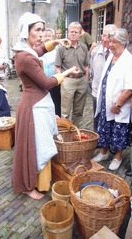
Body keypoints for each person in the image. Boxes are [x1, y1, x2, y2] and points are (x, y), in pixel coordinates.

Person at [11, 12, 79, 200]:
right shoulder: (25, 57)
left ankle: (37, 181)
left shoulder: (27, 50)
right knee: (35, 147)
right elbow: (47, 83)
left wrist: (56, 42)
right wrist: (67, 73)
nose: (41, 34)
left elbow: (40, 50)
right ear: (27, 31)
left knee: (37, 145)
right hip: (33, 107)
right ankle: (26, 185)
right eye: (37, 30)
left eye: (42, 30)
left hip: (36, 103)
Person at [93, 28, 132, 171]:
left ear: (123, 43)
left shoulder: (130, 61)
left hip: (119, 106)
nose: (110, 44)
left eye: (114, 42)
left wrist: (118, 104)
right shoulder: (111, 56)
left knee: (119, 130)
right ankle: (104, 152)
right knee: (105, 127)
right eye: (109, 41)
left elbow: (129, 88)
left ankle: (118, 157)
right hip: (107, 102)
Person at [55, 21, 90, 127]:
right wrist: (62, 81)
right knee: (65, 111)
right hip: (68, 81)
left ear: (80, 34)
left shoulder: (83, 47)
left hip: (81, 80)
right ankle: (65, 130)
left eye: (76, 32)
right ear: (68, 33)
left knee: (79, 110)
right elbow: (57, 67)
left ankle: (75, 129)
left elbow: (86, 66)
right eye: (71, 32)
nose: (73, 34)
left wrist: (86, 80)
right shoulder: (62, 48)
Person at [90, 24, 118, 132]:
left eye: (107, 36)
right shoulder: (95, 51)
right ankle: (96, 139)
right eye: (103, 35)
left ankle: (109, 141)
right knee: (97, 116)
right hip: (97, 91)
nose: (103, 39)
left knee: (111, 117)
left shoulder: (118, 54)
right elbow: (92, 69)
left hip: (112, 94)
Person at [40, 28, 61, 116]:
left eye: (49, 36)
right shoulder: (39, 50)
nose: (47, 38)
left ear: (53, 38)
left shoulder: (58, 50)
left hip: (54, 81)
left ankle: (58, 122)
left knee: (56, 102)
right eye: (45, 36)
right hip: (42, 82)